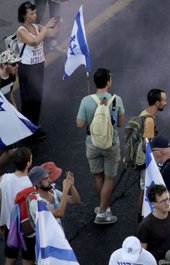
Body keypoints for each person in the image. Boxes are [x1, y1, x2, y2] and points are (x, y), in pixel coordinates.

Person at [76, 67, 126, 225]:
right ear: (108, 82)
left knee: (98, 176)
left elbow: (80, 123)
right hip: (111, 144)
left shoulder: (86, 100)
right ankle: (103, 213)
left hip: (93, 143)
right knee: (109, 178)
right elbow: (120, 123)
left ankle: (102, 206)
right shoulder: (116, 100)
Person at [15, 1, 60, 131]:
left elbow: (52, 33)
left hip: (38, 67)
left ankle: (34, 125)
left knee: (37, 97)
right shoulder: (21, 30)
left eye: (35, 12)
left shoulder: (37, 27)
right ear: (24, 16)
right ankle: (27, 127)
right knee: (28, 99)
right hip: (28, 69)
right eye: (32, 13)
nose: (35, 15)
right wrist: (45, 28)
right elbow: (34, 42)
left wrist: (59, 20)